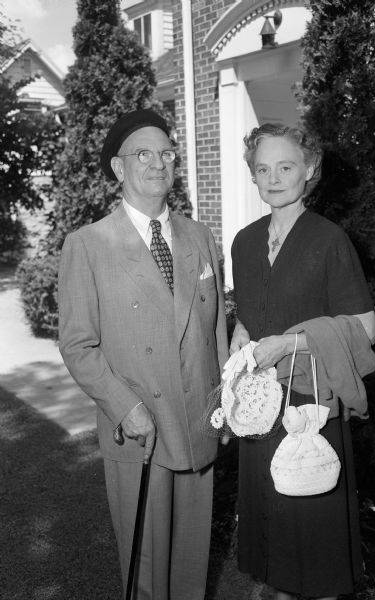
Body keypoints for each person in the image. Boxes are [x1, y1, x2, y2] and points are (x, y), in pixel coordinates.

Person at [58, 109, 229, 600]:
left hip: (199, 420)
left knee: (192, 564)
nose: (158, 163)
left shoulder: (199, 236)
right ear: (118, 168)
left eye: (167, 153)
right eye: (143, 154)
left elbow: (214, 326)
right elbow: (77, 343)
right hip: (141, 428)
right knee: (148, 570)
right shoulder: (88, 245)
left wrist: (224, 401)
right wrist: (125, 406)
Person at [230, 123, 375, 600]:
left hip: (310, 406)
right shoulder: (244, 242)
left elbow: (365, 328)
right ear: (252, 175)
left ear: (309, 170)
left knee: (313, 523)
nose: (274, 178)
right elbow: (252, 309)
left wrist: (287, 345)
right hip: (259, 406)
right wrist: (241, 329)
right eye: (263, 168)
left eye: (286, 167)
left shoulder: (330, 240)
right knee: (270, 514)